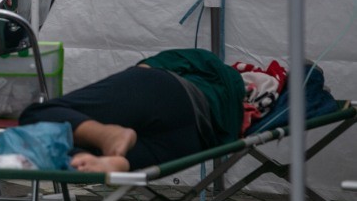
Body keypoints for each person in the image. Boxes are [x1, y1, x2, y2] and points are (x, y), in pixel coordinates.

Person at [18, 48, 246, 173]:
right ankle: (111, 163)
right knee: (69, 149)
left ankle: (107, 134)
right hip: (195, 137)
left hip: (168, 91)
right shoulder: (232, 115)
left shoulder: (207, 63)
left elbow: (146, 67)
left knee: (35, 116)